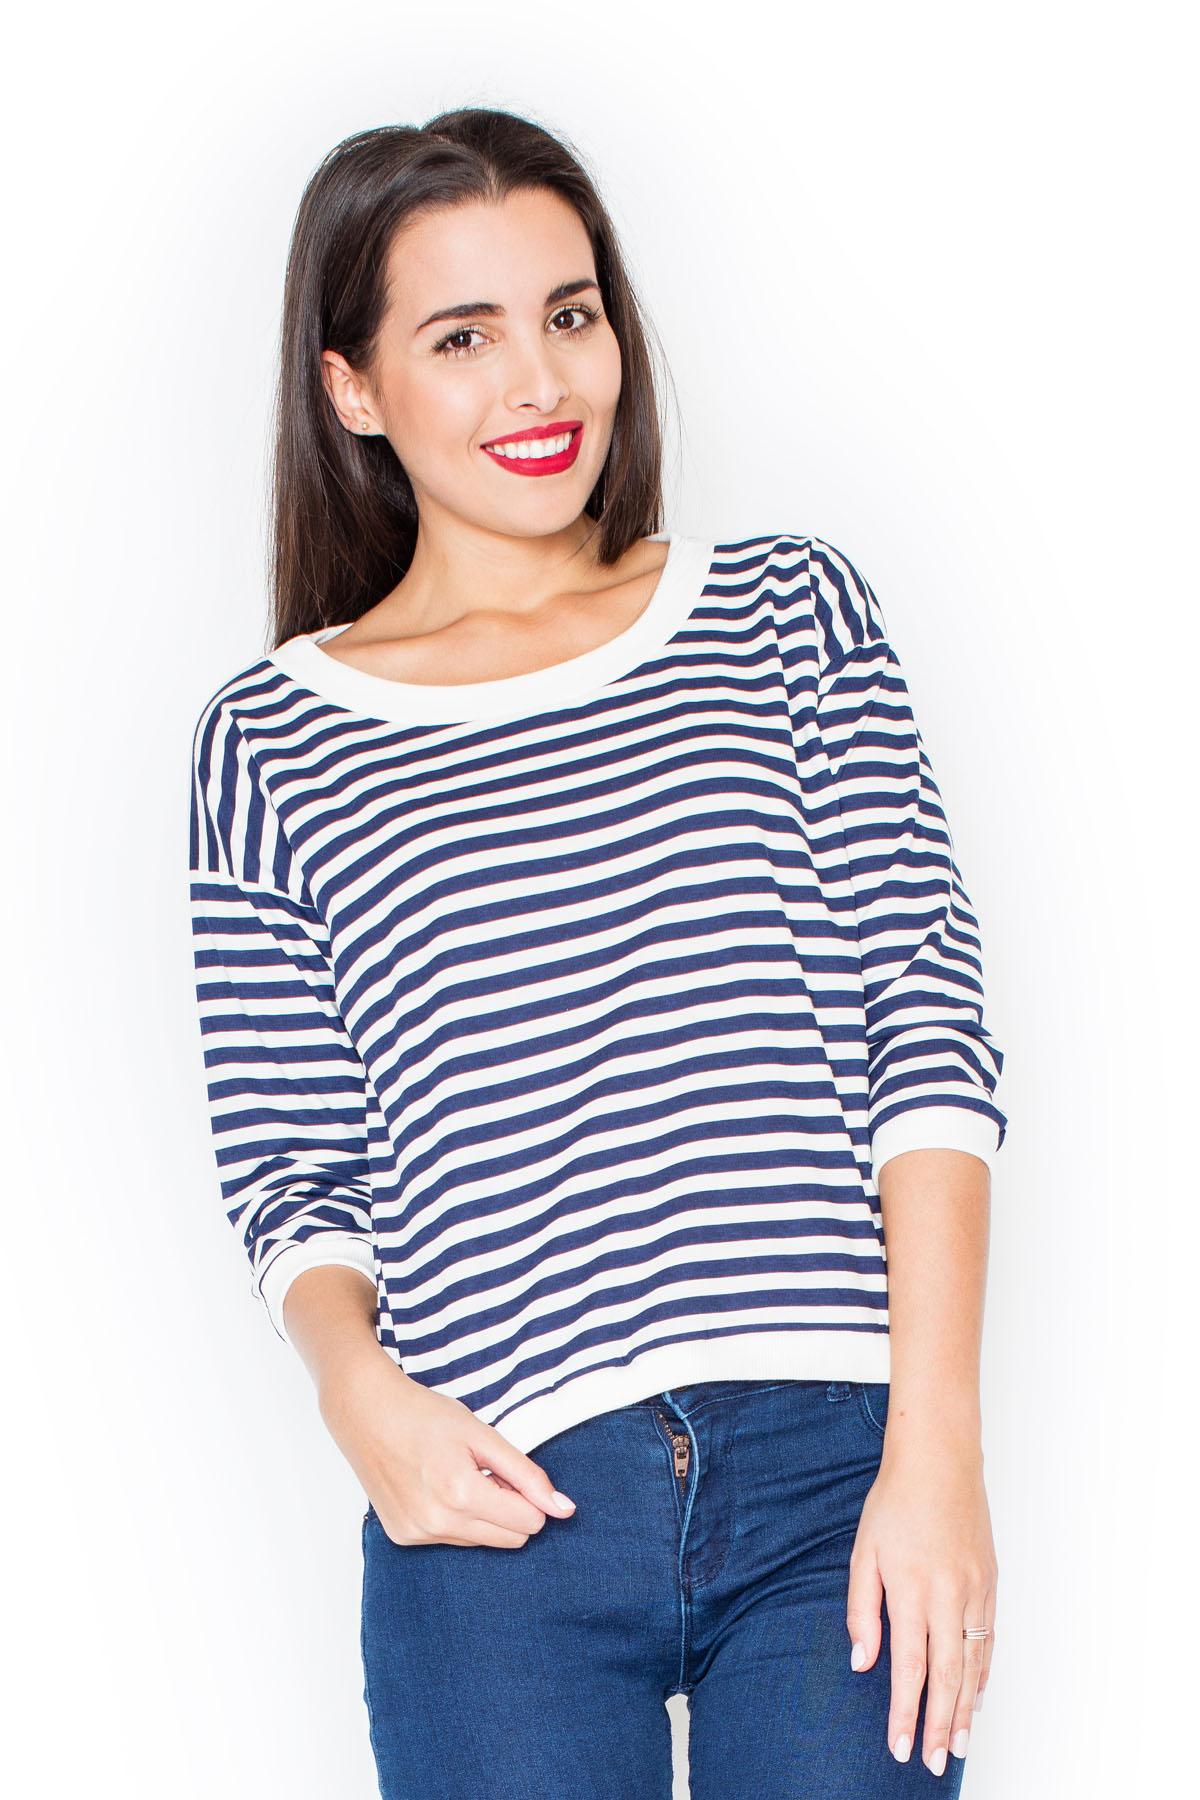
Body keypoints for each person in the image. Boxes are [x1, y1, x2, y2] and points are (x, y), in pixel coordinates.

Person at [187, 108, 1006, 1798]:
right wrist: (359, 1397)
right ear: (351, 387)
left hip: (830, 1472)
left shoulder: (786, 612)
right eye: (462, 337)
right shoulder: (274, 737)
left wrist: (937, 1450)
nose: (539, 381)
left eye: (569, 314)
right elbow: (290, 1166)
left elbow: (924, 1027)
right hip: (494, 1498)